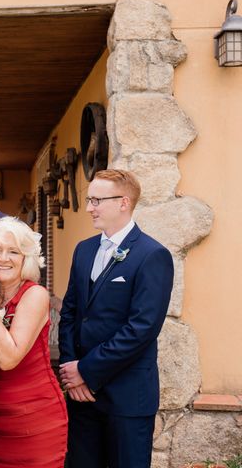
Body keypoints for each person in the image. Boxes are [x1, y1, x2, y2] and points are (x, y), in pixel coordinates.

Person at [58, 169, 174, 468]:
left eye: (97, 200)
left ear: (123, 202)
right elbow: (70, 312)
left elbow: (142, 329)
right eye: (89, 199)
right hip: (82, 398)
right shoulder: (83, 250)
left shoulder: (152, 255)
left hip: (127, 397)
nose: (88, 208)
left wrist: (86, 369)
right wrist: (73, 375)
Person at [0, 217, 68, 467]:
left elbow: (8, 358)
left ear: (26, 258)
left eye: (13, 251)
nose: (3, 258)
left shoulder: (34, 294)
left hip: (33, 420)